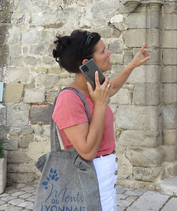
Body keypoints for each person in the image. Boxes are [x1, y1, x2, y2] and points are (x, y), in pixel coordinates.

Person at [51, 29, 151, 211]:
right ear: (87, 63)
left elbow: (111, 89)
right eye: (103, 51)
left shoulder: (94, 89)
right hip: (89, 173)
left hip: (104, 174)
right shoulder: (69, 99)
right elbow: (87, 151)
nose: (109, 53)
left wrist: (131, 65)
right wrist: (101, 105)